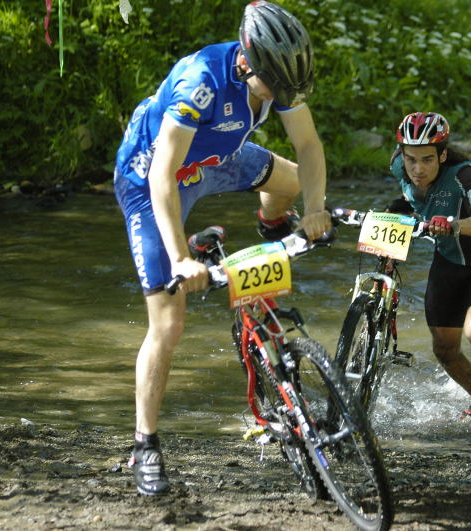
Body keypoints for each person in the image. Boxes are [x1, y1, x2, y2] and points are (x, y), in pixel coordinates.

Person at [113, 1, 331, 496]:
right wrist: (180, 259)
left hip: (218, 156)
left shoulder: (278, 75)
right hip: (151, 178)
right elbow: (162, 177)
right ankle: (145, 444)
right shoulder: (202, 80)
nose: (281, 95)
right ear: (246, 63)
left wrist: (315, 208)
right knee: (168, 321)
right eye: (273, 86)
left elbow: (309, 148)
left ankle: (269, 221)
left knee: (293, 183)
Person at [387, 111, 471, 420]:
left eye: (427, 160)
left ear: (443, 155)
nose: (417, 169)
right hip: (447, 260)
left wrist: (454, 225)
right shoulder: (399, 167)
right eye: (411, 159)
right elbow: (416, 198)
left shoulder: (464, 176)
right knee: (445, 349)